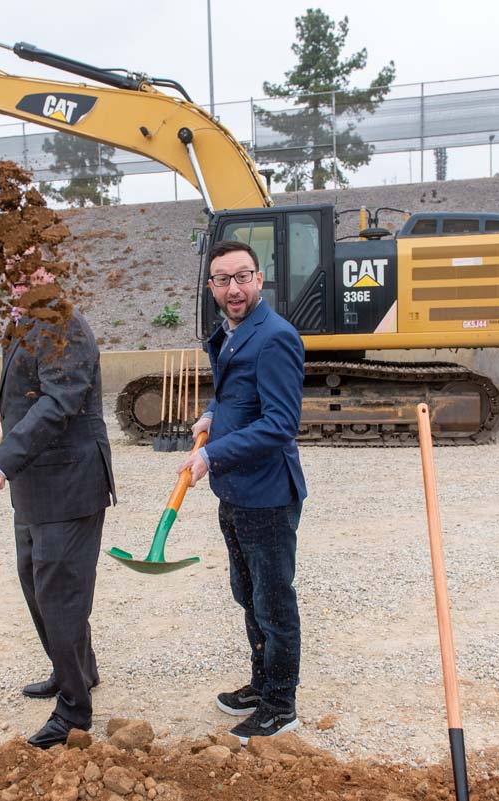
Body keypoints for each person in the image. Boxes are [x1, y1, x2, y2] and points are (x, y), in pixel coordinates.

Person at [0, 266, 116, 749]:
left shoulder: (64, 324)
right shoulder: (25, 321)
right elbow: (35, 388)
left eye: (31, 272)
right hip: (37, 484)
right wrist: (7, 411)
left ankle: (74, 711)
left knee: (61, 596)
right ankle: (75, 669)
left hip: (69, 481)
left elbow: (60, 402)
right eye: (12, 275)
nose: (19, 282)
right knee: (36, 582)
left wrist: (2, 459)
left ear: (53, 273)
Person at [177, 239, 307, 745]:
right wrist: (214, 415)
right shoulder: (233, 333)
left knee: (274, 602)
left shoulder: (274, 336)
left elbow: (279, 424)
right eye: (223, 280)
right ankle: (262, 683)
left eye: (243, 277)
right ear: (211, 287)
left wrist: (213, 455)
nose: (234, 288)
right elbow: (238, 394)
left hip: (268, 494)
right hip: (237, 493)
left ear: (260, 278)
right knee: (248, 595)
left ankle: (280, 704)